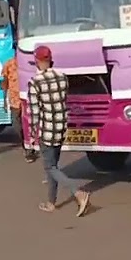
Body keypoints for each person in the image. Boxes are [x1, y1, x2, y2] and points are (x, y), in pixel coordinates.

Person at [27, 46, 90, 216]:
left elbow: (34, 112)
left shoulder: (35, 82)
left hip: (46, 129)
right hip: (61, 127)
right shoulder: (62, 77)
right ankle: (51, 202)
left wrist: (32, 135)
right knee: (53, 166)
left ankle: (78, 192)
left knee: (50, 167)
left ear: (37, 61)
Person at [1, 55, 37, 162]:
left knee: (30, 124)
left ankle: (30, 149)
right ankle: (25, 144)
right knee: (16, 125)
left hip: (28, 98)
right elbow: (5, 81)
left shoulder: (30, 63)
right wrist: (4, 99)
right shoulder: (9, 64)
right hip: (14, 99)